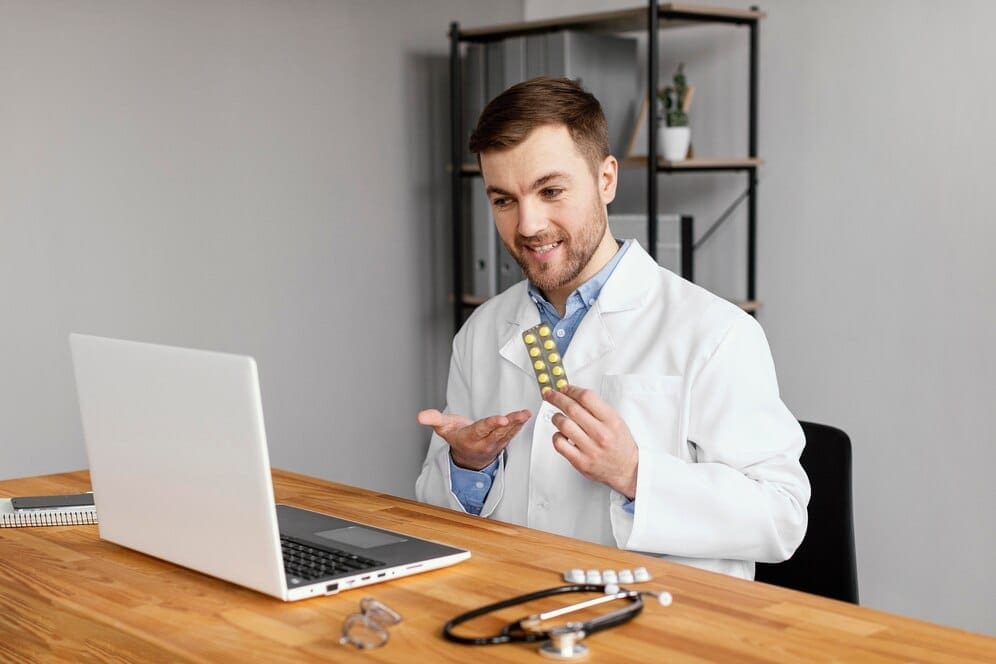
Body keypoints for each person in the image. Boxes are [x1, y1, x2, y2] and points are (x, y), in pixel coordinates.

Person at [416, 77, 809, 579]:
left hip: (663, 629)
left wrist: (636, 474)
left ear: (606, 180)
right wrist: (469, 467)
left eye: (551, 190)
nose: (529, 225)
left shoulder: (716, 333)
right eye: (503, 200)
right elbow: (434, 509)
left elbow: (782, 516)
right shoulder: (484, 331)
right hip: (520, 607)